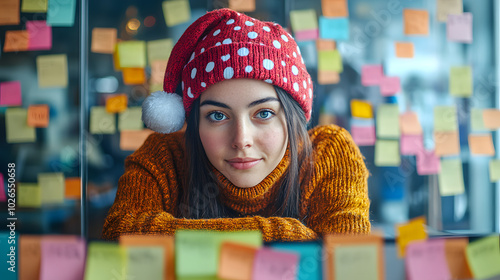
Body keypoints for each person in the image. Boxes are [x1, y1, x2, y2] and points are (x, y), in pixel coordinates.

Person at [102, 8, 370, 242]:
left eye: (263, 113)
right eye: (217, 116)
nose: (241, 140)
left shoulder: (328, 152)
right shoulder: (165, 156)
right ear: (194, 122)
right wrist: (284, 235)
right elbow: (120, 237)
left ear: (292, 117)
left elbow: (346, 261)